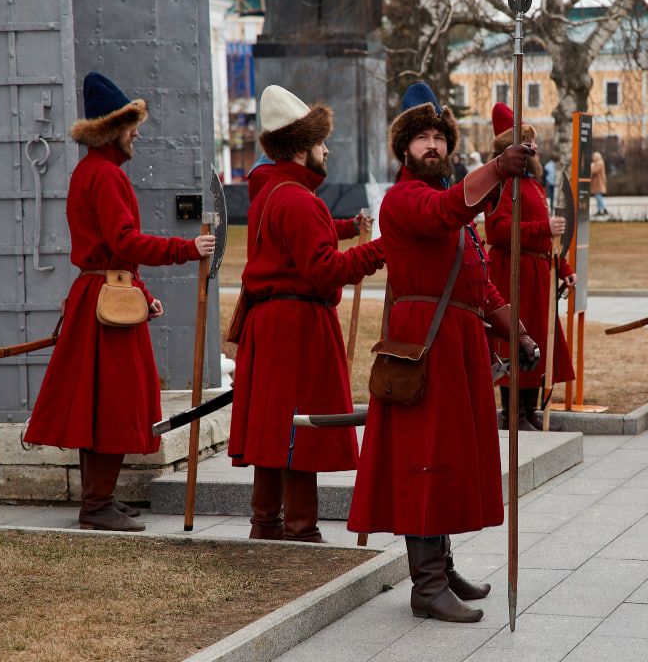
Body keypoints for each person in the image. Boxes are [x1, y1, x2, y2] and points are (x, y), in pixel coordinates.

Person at [348, 82, 538, 623]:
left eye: (439, 137)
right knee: (423, 463)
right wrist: (500, 168)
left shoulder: (450, 204)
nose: (432, 146)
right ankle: (426, 586)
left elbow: (481, 286)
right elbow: (446, 210)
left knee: (447, 460)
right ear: (404, 149)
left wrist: (518, 332)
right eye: (421, 138)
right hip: (422, 344)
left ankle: (443, 566)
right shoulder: (406, 199)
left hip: (456, 345)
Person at [25, 72, 215, 531]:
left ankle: (99, 497)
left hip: (104, 295)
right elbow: (125, 242)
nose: (137, 133)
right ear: (112, 129)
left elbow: (115, 255)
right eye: (131, 125)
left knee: (101, 400)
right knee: (112, 401)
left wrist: (143, 295)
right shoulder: (105, 175)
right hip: (104, 305)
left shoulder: (92, 172)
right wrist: (184, 249)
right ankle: (96, 506)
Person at [227, 86, 384, 541]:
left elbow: (301, 241)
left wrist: (346, 228)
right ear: (300, 148)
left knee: (276, 429)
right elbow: (322, 268)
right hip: (295, 327)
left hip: (272, 323)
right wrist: (380, 249)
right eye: (319, 143)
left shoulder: (272, 194)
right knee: (297, 428)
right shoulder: (297, 199)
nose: (326, 150)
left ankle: (266, 524)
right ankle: (300, 529)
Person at [484, 103, 576, 431]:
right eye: (527, 144)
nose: (534, 150)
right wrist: (542, 230)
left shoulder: (533, 182)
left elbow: (545, 234)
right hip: (513, 273)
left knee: (538, 339)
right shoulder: (501, 182)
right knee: (515, 338)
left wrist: (564, 268)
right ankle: (513, 414)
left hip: (537, 273)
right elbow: (496, 230)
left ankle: (530, 410)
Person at [591, 150, 609, 217]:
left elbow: (595, 171)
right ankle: (600, 210)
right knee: (597, 196)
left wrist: (591, 166)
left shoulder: (599, 163)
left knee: (598, 196)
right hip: (597, 182)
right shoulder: (597, 163)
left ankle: (604, 209)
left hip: (599, 182)